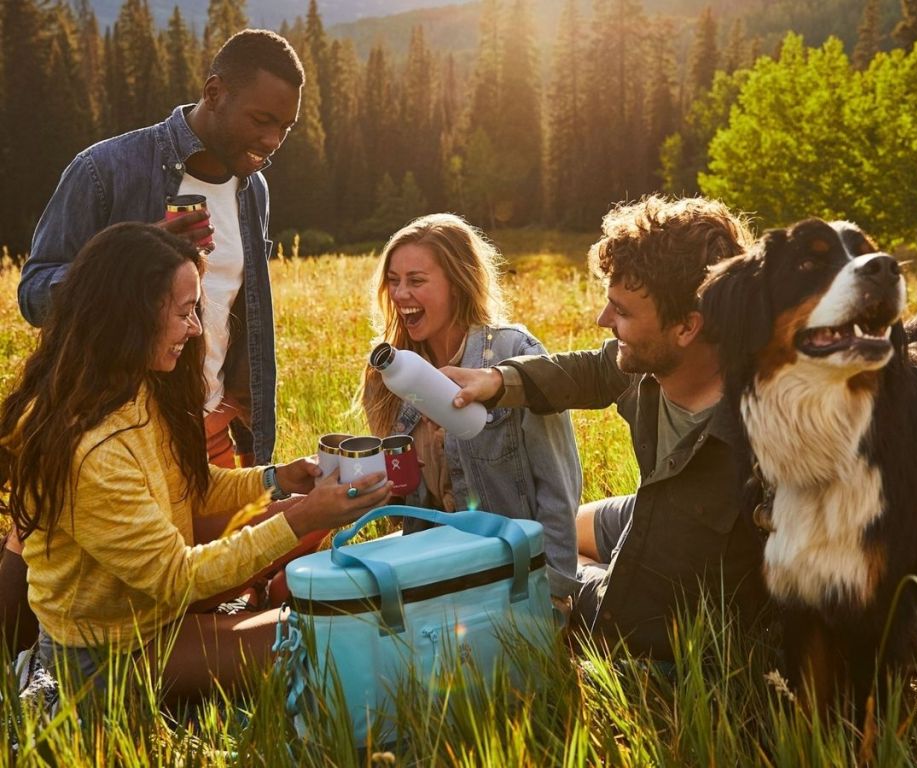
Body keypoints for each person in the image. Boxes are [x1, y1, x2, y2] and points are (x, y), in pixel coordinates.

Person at [5, 28, 305, 651]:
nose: (271, 142)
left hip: (209, 424)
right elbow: (35, 293)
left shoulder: (255, 190)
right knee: (39, 600)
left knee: (180, 598)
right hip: (109, 425)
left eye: (284, 127)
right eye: (261, 120)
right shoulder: (106, 169)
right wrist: (135, 261)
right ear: (214, 93)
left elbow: (236, 311)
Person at [0, 223, 391, 695]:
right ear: (132, 314)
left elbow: (190, 485)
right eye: (185, 312)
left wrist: (277, 478)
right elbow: (176, 577)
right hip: (107, 655)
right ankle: (43, 679)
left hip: (154, 616)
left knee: (329, 618)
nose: (197, 328)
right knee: (320, 641)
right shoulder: (92, 448)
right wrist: (304, 514)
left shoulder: (135, 388)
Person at [445, 196, 768, 659]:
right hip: (649, 515)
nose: (603, 320)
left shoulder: (763, 428)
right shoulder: (650, 364)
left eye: (622, 311)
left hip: (670, 608)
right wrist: (497, 380)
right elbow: (591, 372)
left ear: (686, 327)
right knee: (555, 530)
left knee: (542, 569)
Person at [360, 213, 583, 607]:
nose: (398, 294)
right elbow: (402, 506)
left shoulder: (515, 355)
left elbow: (558, 482)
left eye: (416, 280)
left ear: (458, 284)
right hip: (431, 570)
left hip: (512, 571)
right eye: (393, 281)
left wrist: (554, 591)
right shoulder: (386, 374)